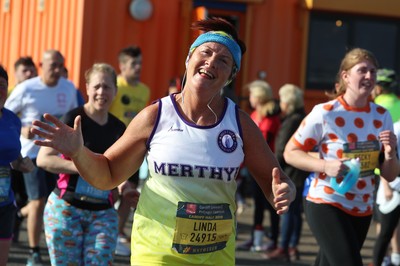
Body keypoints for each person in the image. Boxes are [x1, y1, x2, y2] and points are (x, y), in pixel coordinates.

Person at [30, 17, 296, 265]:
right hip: (156, 252)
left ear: (230, 76)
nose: (212, 62)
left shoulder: (240, 124)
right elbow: (108, 175)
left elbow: (276, 183)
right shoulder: (155, 116)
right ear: (188, 58)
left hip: (216, 256)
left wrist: (285, 192)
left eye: (224, 60)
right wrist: (79, 152)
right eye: (206, 52)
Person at [284, 47, 399, 266]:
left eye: (373, 71)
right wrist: (325, 165)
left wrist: (391, 154)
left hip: (362, 206)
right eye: (362, 70)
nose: (369, 76)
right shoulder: (325, 112)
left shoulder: (381, 116)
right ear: (345, 76)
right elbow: (291, 152)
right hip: (326, 200)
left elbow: (390, 174)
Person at [36, 63, 139, 265]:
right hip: (67, 208)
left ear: (116, 91)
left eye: (107, 87)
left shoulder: (120, 128)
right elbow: (43, 159)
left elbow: (126, 175)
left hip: (103, 212)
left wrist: (126, 189)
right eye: (97, 86)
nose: (101, 92)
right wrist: (87, 167)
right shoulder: (73, 119)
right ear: (87, 88)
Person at [5, 49, 78, 266]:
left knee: (51, 200)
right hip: (33, 153)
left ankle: (20, 215)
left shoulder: (68, 87)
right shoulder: (26, 88)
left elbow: (74, 117)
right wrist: (22, 130)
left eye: (60, 65)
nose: (56, 70)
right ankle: (34, 251)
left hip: (58, 155)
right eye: (52, 65)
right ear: (41, 65)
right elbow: (6, 114)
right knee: (37, 201)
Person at [109, 45, 151, 255]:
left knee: (129, 192)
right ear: (122, 65)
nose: (138, 67)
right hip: (113, 148)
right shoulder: (114, 85)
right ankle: (106, 232)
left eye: (140, 64)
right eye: (134, 64)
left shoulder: (144, 90)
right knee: (110, 191)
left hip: (134, 149)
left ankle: (117, 232)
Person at [264, 83, 309, 261]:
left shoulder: (291, 121)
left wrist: (272, 166)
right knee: (296, 212)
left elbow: (281, 149)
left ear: (288, 102)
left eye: (282, 100)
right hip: (301, 171)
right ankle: (292, 246)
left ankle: (284, 247)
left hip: (290, 171)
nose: (280, 104)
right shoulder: (302, 117)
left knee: (289, 211)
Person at [237, 80, 281, 252]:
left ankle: (274, 240)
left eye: (252, 94)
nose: (250, 98)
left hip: (269, 166)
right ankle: (256, 238)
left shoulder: (270, 115)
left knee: (271, 205)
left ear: (260, 96)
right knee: (258, 204)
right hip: (252, 164)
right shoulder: (255, 114)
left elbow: (265, 141)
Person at [0, 65, 34, 265]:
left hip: (5, 202)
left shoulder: (13, 119)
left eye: (2, 85)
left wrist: (23, 163)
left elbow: (14, 156)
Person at [372, 69, 400, 266]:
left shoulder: (373, 107)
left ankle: (382, 259)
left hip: (376, 169)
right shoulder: (398, 104)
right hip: (394, 167)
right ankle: (396, 253)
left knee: (382, 218)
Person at [10, 56, 39, 243]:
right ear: (16, 74)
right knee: (14, 195)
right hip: (11, 154)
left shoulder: (38, 92)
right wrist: (21, 130)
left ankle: (15, 225)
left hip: (32, 154)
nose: (29, 73)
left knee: (31, 198)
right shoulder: (9, 93)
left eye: (32, 70)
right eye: (24, 70)